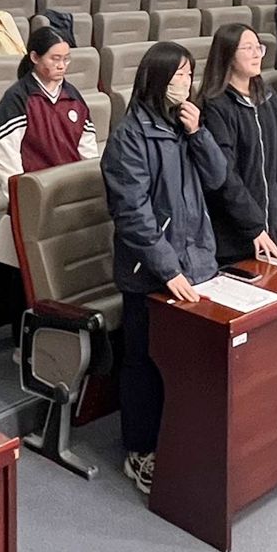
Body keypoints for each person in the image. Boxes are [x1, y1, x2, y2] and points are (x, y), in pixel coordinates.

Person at [102, 42, 227, 496]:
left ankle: (179, 444)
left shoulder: (183, 125)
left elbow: (217, 177)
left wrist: (199, 133)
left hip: (196, 261)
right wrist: (168, 269)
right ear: (155, 79)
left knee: (184, 363)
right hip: (149, 273)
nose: (185, 83)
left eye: (190, 75)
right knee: (145, 363)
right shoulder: (129, 137)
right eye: (177, 76)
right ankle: (139, 450)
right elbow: (133, 214)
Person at [0, 27, 101, 268]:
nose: (62, 66)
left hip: (69, 196)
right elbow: (7, 162)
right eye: (55, 59)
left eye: (66, 59)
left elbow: (89, 155)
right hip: (36, 199)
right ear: (34, 57)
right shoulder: (16, 99)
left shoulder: (73, 97)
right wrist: (22, 204)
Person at [199, 24, 277, 263]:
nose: (257, 54)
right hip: (236, 236)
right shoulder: (215, 106)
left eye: (259, 47)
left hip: (274, 228)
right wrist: (253, 226)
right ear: (228, 55)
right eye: (248, 48)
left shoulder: (267, 98)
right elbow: (225, 176)